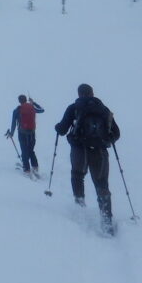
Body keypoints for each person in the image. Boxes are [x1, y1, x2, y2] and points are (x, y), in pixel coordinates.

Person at [54, 83, 121, 233]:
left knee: (77, 176)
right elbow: (116, 133)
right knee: (101, 184)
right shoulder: (104, 109)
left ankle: (80, 207)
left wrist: (57, 127)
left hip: (79, 151)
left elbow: (63, 129)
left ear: (79, 94)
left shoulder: (73, 108)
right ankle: (106, 220)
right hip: (100, 152)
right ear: (92, 93)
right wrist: (106, 140)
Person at [5, 94, 44, 177]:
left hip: (22, 133)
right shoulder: (32, 107)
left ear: (19, 101)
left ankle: (27, 170)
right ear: (26, 100)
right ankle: (35, 167)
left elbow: (14, 124)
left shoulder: (17, 110)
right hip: (32, 133)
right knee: (31, 150)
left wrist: (11, 133)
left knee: (24, 150)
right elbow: (42, 110)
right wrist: (33, 103)